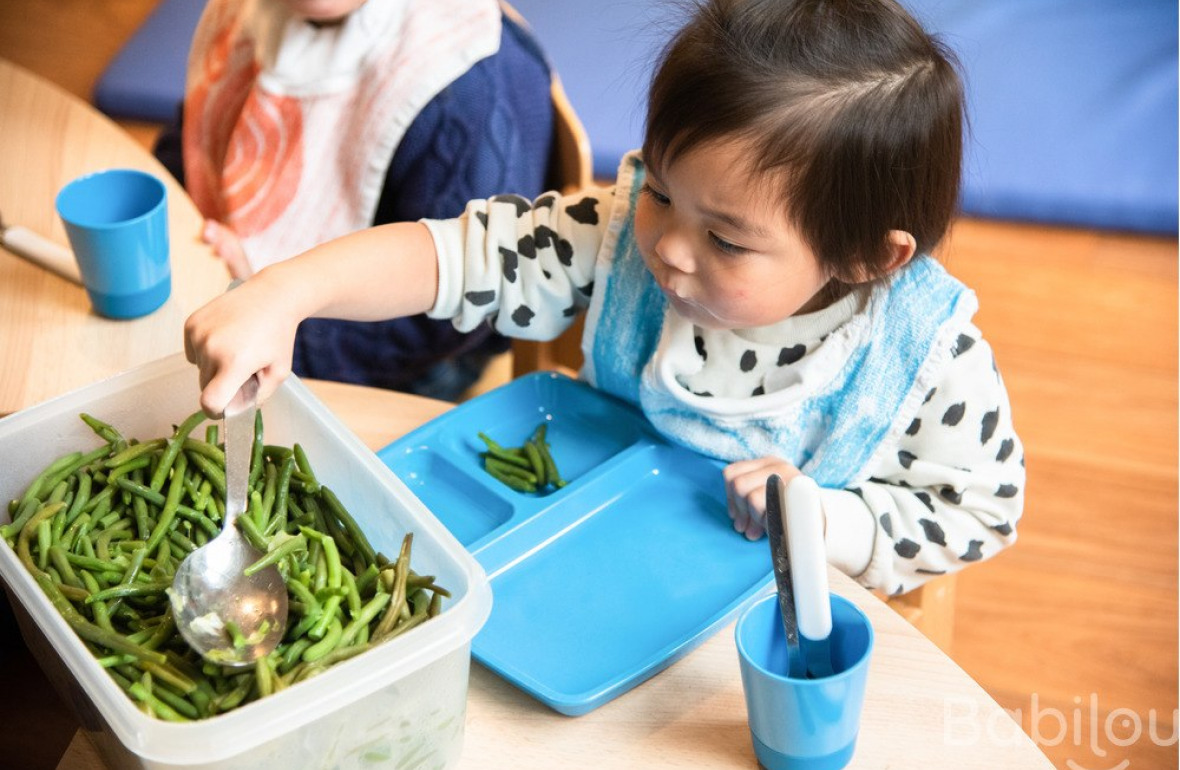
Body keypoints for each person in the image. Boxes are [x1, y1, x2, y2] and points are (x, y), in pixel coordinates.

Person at [184, 0, 1025, 594]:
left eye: (726, 239)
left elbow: (983, 511)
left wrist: (830, 522)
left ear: (865, 259)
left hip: (768, 623)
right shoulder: (621, 232)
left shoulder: (926, 359)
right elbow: (458, 257)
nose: (664, 245)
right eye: (661, 189)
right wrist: (286, 291)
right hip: (583, 569)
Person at [155, 0, 554, 401]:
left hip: (403, 351)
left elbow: (449, 319)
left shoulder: (470, 89)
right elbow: (202, 122)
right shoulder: (253, 12)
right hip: (243, 286)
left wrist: (282, 318)